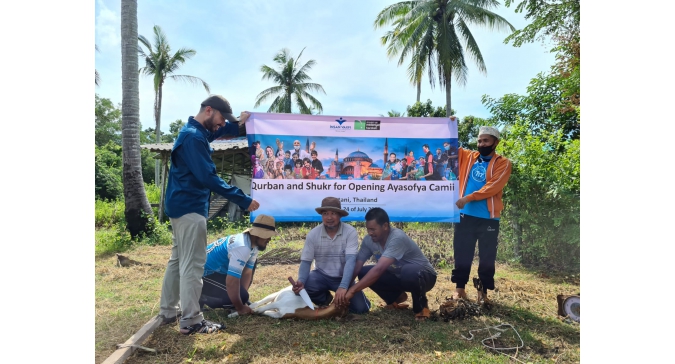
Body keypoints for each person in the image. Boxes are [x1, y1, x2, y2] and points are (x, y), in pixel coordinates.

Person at [158, 95, 260, 335]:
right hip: (190, 208)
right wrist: (243, 199)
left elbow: (218, 132)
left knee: (177, 261)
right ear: (209, 110)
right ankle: (191, 320)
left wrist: (239, 125)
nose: (221, 124)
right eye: (221, 119)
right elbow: (207, 177)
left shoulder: (195, 132)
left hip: (181, 206)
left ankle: (168, 311)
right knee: (193, 265)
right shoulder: (194, 138)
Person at [451, 121, 512, 305]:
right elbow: (450, 144)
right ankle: (459, 290)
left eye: (486, 141)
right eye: (479, 141)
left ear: (496, 143)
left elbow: (492, 187)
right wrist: (451, 124)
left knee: (487, 257)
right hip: (464, 216)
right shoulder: (469, 157)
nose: (482, 144)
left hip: (488, 218)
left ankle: (482, 293)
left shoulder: (503, 164)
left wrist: (468, 198)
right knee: (462, 253)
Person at [343, 208, 437, 321]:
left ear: (385, 226)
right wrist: (344, 287)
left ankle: (422, 308)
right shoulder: (369, 240)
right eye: (368, 229)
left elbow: (379, 269)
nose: (370, 233)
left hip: (424, 276)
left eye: (373, 229)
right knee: (363, 272)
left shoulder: (397, 237)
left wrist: (352, 290)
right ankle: (396, 298)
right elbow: (357, 266)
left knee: (409, 271)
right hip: (398, 276)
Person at [290, 197, 371, 314]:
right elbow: (306, 261)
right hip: (321, 276)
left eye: (333, 213)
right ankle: (325, 299)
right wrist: (301, 281)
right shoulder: (313, 234)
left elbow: (351, 260)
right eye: (325, 213)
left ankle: (343, 302)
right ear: (322, 216)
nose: (329, 218)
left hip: (344, 278)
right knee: (305, 286)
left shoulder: (350, 232)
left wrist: (343, 286)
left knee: (361, 309)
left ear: (340, 215)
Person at [198, 215, 277, 315]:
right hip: (200, 275)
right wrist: (240, 307)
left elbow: (247, 272)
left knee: (243, 295)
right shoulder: (242, 247)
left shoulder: (253, 245)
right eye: (267, 235)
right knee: (239, 297)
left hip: (216, 272)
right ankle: (200, 296)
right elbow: (231, 281)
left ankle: (234, 301)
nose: (270, 239)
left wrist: (242, 298)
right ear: (257, 234)